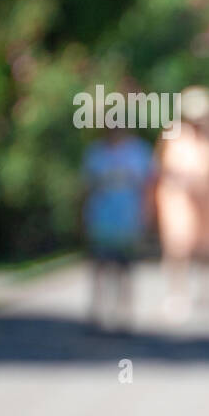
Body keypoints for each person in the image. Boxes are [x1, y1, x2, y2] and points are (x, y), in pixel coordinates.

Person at [156, 87, 209, 321]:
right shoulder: (174, 136)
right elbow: (161, 169)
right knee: (178, 248)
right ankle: (177, 294)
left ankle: (208, 294)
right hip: (179, 202)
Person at [81, 126, 156, 330]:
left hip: (128, 220)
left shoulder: (139, 152)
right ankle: (97, 311)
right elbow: (86, 188)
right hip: (101, 219)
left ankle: (124, 313)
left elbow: (148, 187)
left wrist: (147, 217)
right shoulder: (96, 153)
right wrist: (83, 218)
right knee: (100, 266)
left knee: (126, 269)